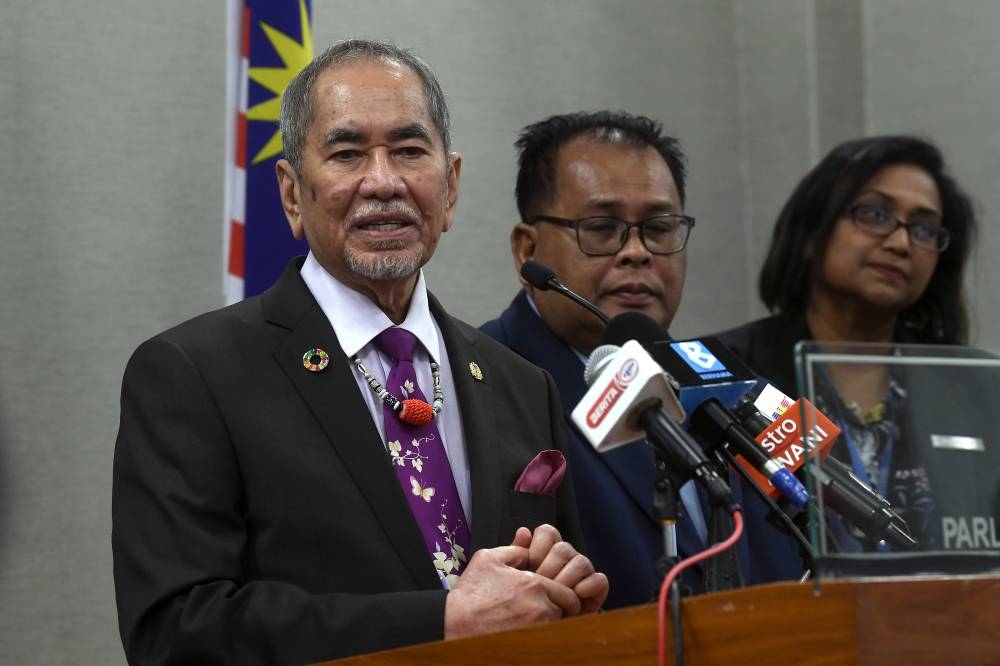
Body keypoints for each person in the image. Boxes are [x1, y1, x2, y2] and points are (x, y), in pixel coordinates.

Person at [112, 40, 607, 666]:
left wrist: (563, 599)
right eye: (347, 154)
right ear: (292, 194)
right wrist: (443, 620)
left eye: (409, 150)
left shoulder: (519, 382)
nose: (383, 181)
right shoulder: (193, 374)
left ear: (450, 186)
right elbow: (175, 633)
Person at [481, 111, 803, 609]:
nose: (637, 253)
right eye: (603, 228)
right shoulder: (481, 382)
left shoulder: (729, 382)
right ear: (528, 249)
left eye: (658, 228)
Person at [714, 135, 983, 550]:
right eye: (875, 214)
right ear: (811, 232)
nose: (900, 243)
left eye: (924, 229)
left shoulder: (977, 388)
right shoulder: (729, 371)